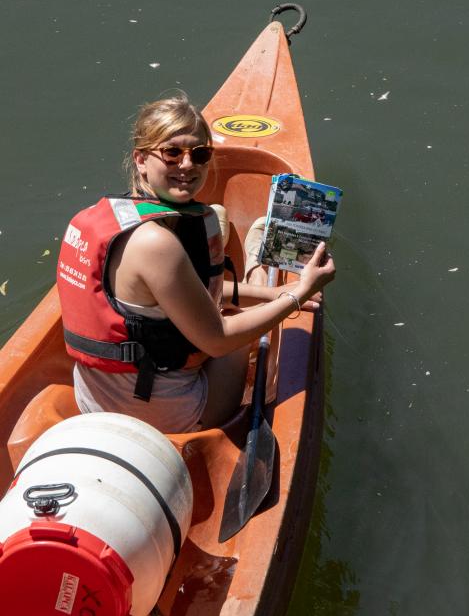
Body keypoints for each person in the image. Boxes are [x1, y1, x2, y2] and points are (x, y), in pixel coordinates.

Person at [57, 93, 335, 433]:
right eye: (172, 153)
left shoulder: (103, 219)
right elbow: (216, 341)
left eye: (199, 154)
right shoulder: (157, 244)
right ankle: (259, 271)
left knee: (223, 300)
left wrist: (275, 296)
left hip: (95, 400)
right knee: (236, 323)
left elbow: (182, 297)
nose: (187, 165)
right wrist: (299, 293)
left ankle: (255, 275)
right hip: (164, 415)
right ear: (141, 159)